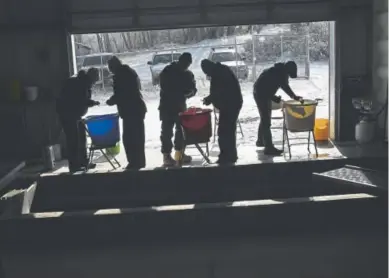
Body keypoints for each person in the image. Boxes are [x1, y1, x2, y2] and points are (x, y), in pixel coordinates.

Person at [253, 61, 303, 156]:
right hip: (261, 94)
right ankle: (268, 148)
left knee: (264, 118)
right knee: (266, 121)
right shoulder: (280, 74)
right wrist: (294, 96)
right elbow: (284, 87)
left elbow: (272, 87)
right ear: (289, 70)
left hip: (259, 92)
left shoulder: (278, 70)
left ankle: (260, 141)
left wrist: (275, 97)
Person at [106, 56, 147, 170]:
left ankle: (134, 162)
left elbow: (122, 93)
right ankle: (139, 161)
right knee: (138, 137)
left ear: (114, 66)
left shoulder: (121, 76)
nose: (110, 70)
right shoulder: (129, 72)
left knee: (130, 138)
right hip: (137, 109)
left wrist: (111, 101)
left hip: (131, 110)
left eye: (110, 67)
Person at [57, 68, 100, 172]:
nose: (94, 83)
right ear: (91, 77)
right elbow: (80, 100)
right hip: (67, 114)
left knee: (81, 137)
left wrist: (91, 102)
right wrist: (93, 103)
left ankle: (83, 162)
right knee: (73, 140)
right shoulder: (79, 83)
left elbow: (82, 100)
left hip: (75, 114)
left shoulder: (83, 81)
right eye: (94, 80)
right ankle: (74, 166)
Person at [201, 59, 243, 164]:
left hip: (231, 104)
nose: (207, 74)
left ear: (209, 68)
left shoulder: (219, 73)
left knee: (224, 131)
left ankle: (226, 155)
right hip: (231, 104)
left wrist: (210, 99)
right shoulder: (220, 70)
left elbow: (220, 91)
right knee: (228, 130)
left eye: (206, 72)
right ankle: (230, 155)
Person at [159, 52, 197, 166]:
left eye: (188, 64)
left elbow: (193, 89)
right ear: (180, 60)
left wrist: (190, 93)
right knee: (167, 131)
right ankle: (167, 156)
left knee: (180, 131)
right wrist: (182, 91)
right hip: (168, 106)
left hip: (178, 105)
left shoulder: (187, 74)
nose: (186, 66)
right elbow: (165, 87)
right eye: (185, 63)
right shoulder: (168, 71)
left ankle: (179, 154)